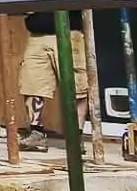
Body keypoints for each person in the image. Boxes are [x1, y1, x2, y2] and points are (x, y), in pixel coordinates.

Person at [18, 10, 88, 152]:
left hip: (69, 32)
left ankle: (76, 136)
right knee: (32, 84)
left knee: (77, 87)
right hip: (37, 36)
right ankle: (36, 133)